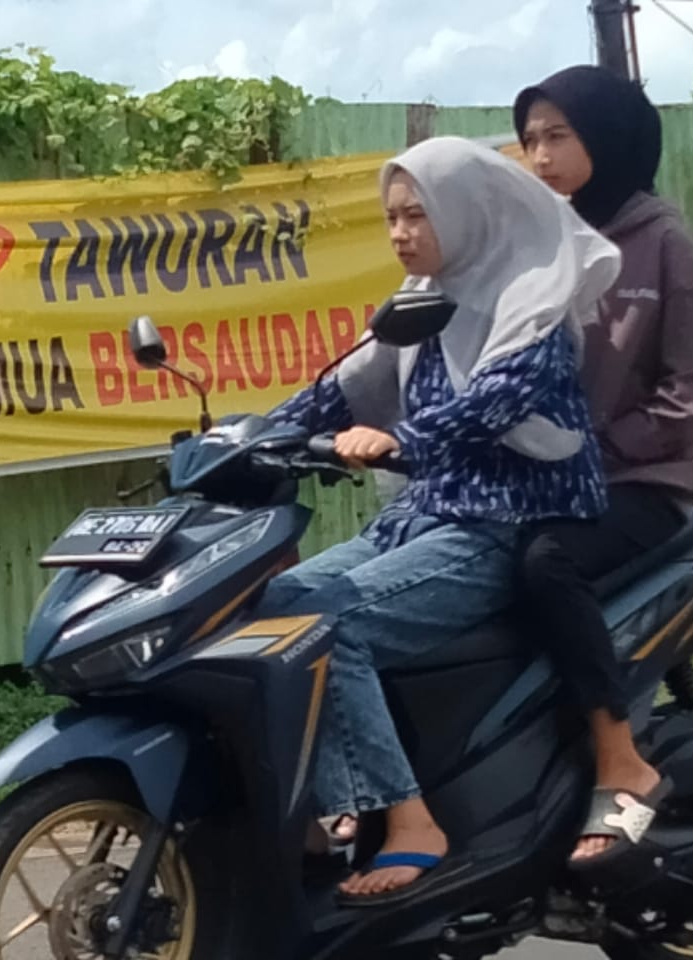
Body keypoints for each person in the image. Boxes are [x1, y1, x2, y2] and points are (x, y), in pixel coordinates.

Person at [260, 136, 619, 898]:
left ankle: (410, 820)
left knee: (328, 624)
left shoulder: (531, 302)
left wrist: (401, 438)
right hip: (423, 516)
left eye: (416, 215)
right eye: (391, 217)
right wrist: (249, 437)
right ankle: (317, 815)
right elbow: (340, 388)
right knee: (272, 606)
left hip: (499, 523)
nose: (398, 233)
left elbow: (494, 401)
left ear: (466, 212)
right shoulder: (421, 301)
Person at [513, 65, 693, 865]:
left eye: (557, 136)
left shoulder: (667, 247)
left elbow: (687, 400)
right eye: (529, 140)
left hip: (645, 482)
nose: (539, 156)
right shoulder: (541, 242)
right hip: (546, 476)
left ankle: (618, 755)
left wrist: (588, 453)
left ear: (607, 137)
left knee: (546, 562)